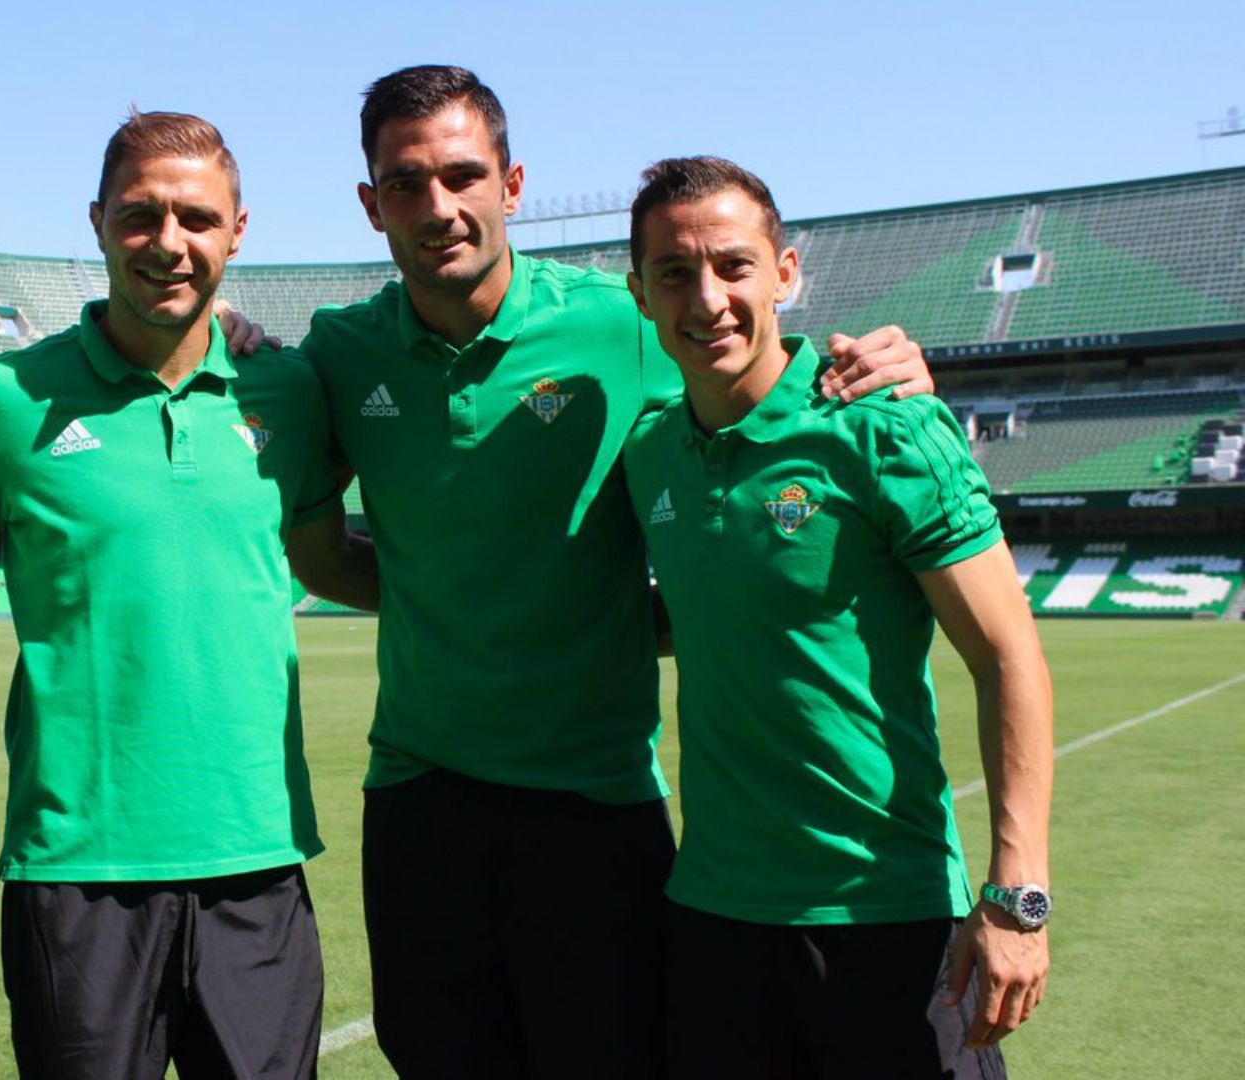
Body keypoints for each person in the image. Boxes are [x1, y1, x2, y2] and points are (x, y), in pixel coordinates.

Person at [288, 65, 936, 1077]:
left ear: (512, 184)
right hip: (420, 801)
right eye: (405, 183)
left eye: (464, 175)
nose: (439, 206)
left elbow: (766, 369)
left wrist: (888, 364)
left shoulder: (626, 320)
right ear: (371, 203)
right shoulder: (338, 351)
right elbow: (319, 541)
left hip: (593, 804)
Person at [0, 110, 376, 1080]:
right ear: (97, 222)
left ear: (237, 230)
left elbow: (331, 555)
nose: (168, 243)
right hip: (79, 871)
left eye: (195, 217)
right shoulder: (2, 401)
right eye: (141, 216)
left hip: (256, 861)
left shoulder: (290, 393)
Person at [621, 155, 1053, 1078]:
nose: (707, 299)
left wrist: (1017, 896)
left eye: (734, 266)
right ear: (640, 293)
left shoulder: (882, 424)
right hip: (714, 921)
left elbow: (1008, 654)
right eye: (674, 273)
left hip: (885, 918)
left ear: (785, 273)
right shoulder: (650, 452)